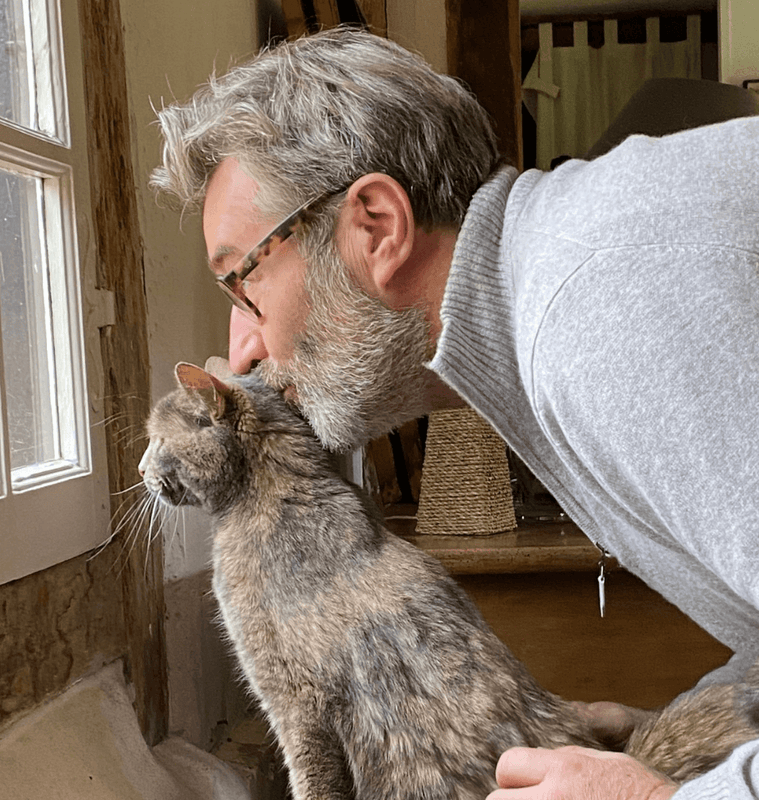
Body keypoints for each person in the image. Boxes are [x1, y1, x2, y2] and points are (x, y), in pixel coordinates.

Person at [150, 26, 759, 799]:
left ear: (376, 225)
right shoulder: (552, 289)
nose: (240, 351)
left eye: (243, 281)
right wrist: (680, 738)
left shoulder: (590, 309)